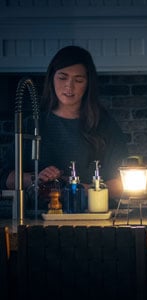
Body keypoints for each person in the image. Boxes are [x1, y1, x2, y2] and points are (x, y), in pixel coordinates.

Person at [0, 45, 128, 208]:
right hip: (37, 219)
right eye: (62, 77)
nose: (69, 86)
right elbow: (4, 177)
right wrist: (36, 178)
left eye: (78, 80)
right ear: (52, 78)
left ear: (88, 84)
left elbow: (123, 182)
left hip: (94, 219)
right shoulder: (31, 124)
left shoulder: (105, 126)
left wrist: (86, 190)